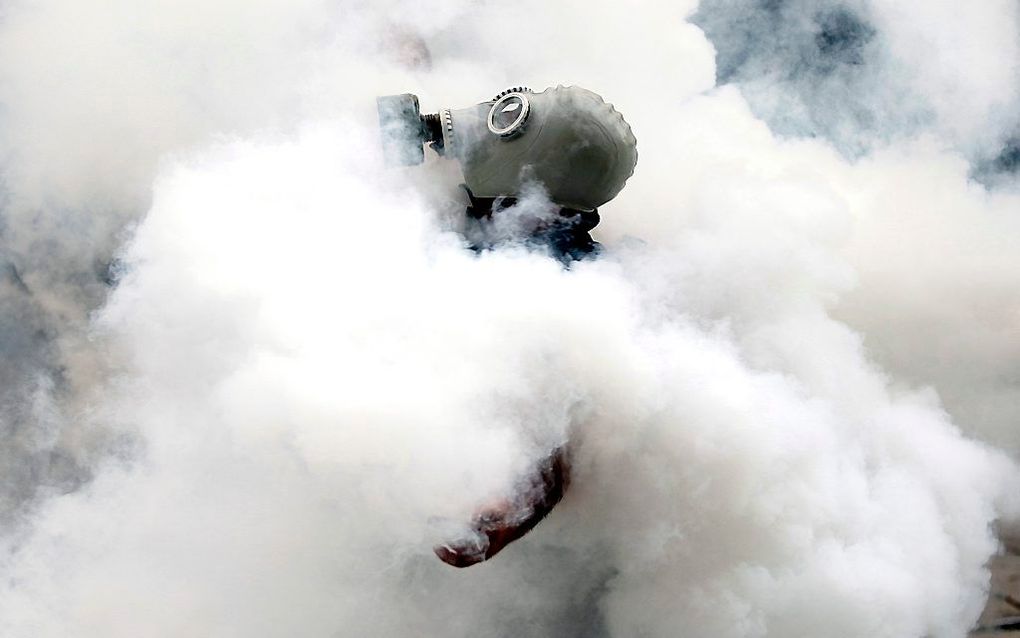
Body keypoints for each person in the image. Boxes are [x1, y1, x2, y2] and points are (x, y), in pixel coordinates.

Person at [378, 85, 638, 566]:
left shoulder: (549, 286)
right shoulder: (514, 228)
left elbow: (552, 446)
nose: (488, 121)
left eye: (511, 116)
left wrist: (499, 515)